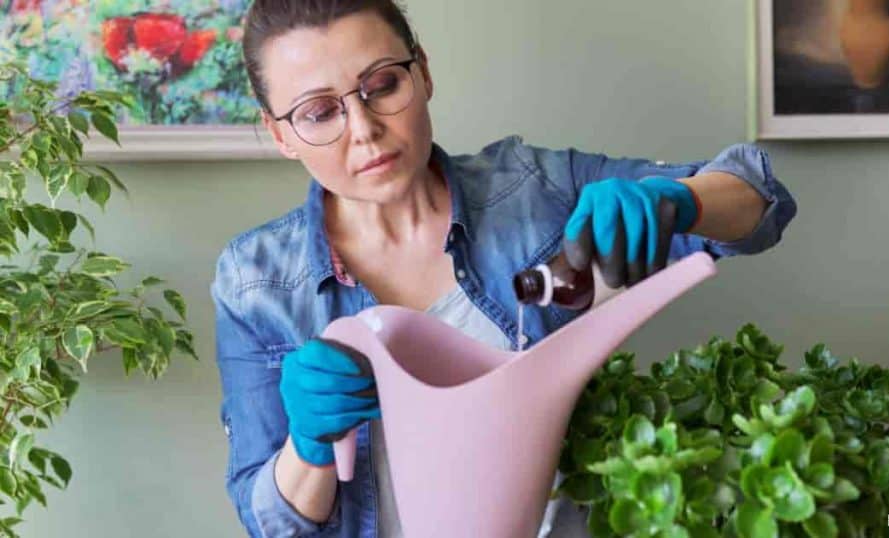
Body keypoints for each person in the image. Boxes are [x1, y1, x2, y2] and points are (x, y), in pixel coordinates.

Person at [211, 1, 797, 536]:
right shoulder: (254, 282)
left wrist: (682, 201)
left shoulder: (533, 192)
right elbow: (271, 522)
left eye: (383, 85)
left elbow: (759, 199)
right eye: (318, 113)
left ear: (423, 73)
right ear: (281, 134)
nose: (364, 130)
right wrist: (308, 447)